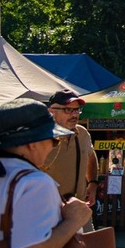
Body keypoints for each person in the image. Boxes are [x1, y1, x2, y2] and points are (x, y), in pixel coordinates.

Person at [0, 98, 96, 248]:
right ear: (32, 144)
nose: (54, 146)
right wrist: (74, 220)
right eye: (54, 140)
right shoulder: (35, 183)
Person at [45, 89, 97, 230]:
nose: (74, 114)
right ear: (51, 111)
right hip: (49, 213)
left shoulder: (83, 133)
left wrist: (93, 182)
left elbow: (91, 157)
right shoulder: (41, 138)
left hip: (79, 209)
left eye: (77, 110)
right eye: (68, 110)